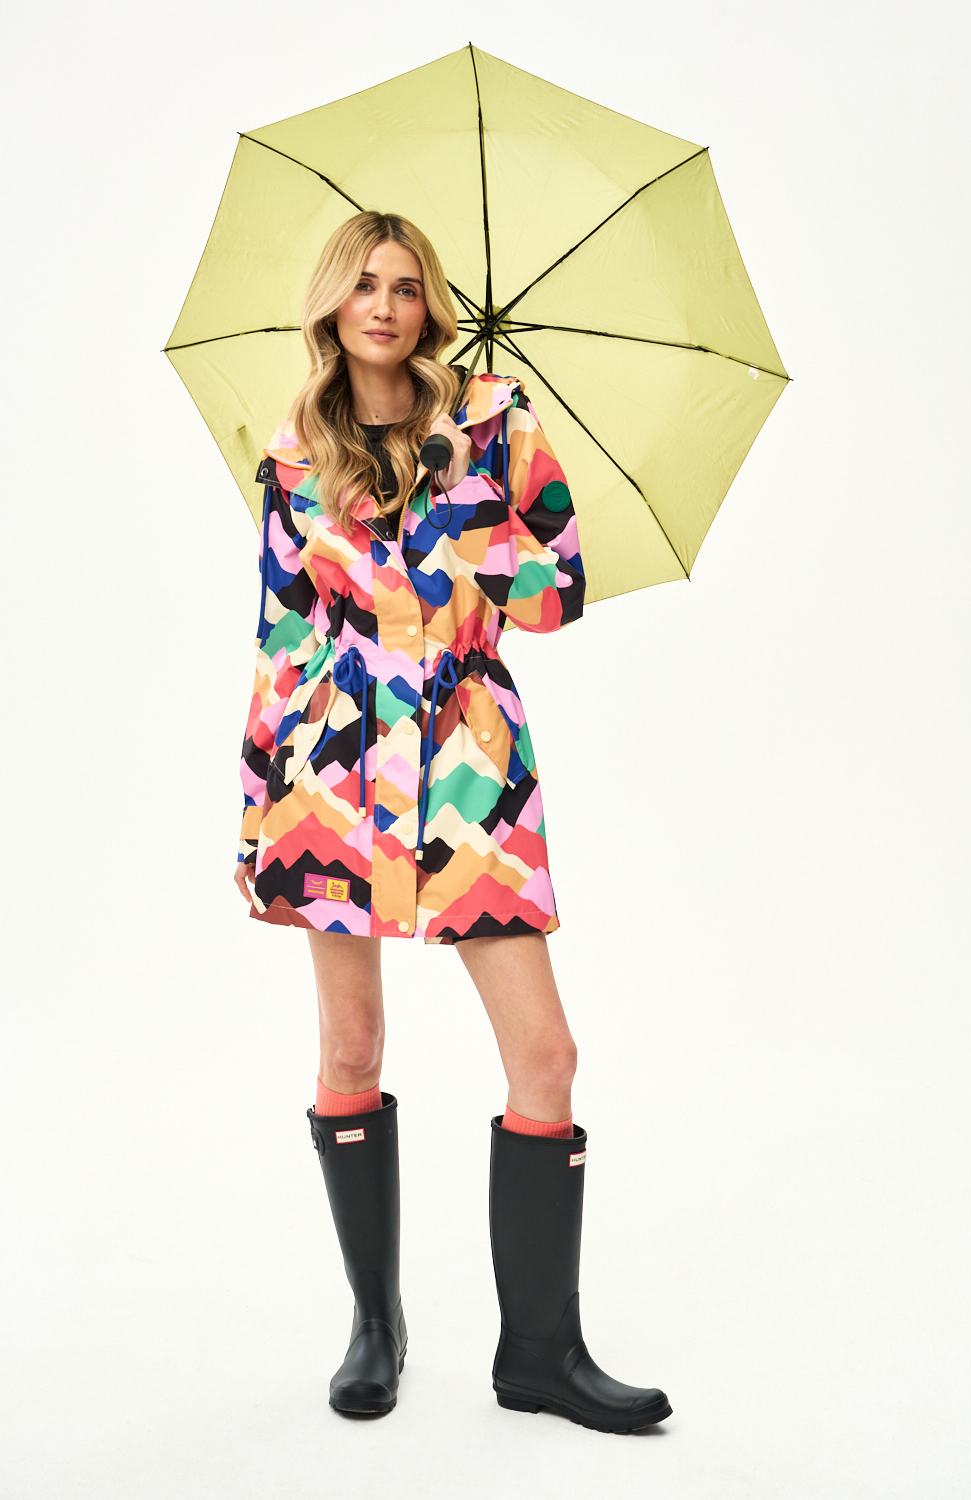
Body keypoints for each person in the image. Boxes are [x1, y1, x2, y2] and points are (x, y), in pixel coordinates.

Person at [232, 210, 671, 1433]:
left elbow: (556, 594)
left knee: (547, 1057)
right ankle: (376, 1328)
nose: (384, 305)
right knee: (351, 1051)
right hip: (331, 769)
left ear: (430, 307)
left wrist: (460, 496)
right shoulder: (293, 453)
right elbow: (280, 640)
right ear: (333, 304)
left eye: (407, 286)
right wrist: (257, 809)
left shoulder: (491, 420)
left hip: (471, 764)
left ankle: (539, 1353)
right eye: (363, 284)